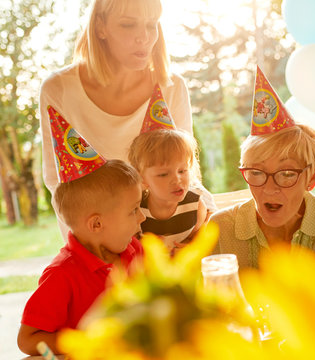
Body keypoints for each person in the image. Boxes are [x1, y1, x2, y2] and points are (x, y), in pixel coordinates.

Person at [40, 0, 216, 239]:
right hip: (99, 237)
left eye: (151, 25)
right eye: (128, 25)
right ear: (101, 27)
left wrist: (197, 229)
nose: (143, 37)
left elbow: (185, 171)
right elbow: (58, 184)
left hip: (166, 231)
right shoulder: (59, 89)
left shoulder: (171, 85)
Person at [210, 67, 315, 281]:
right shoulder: (220, 228)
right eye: (256, 172)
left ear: (311, 178)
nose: (270, 188)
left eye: (286, 174)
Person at [18, 108, 145, 355]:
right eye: (133, 210)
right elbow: (27, 340)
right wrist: (82, 341)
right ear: (96, 224)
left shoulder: (135, 250)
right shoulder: (61, 275)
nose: (141, 216)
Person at [128, 128, 207, 255]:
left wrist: (190, 246)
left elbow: (198, 237)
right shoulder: (136, 210)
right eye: (163, 174)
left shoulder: (195, 206)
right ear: (141, 177)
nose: (177, 179)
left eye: (182, 171)